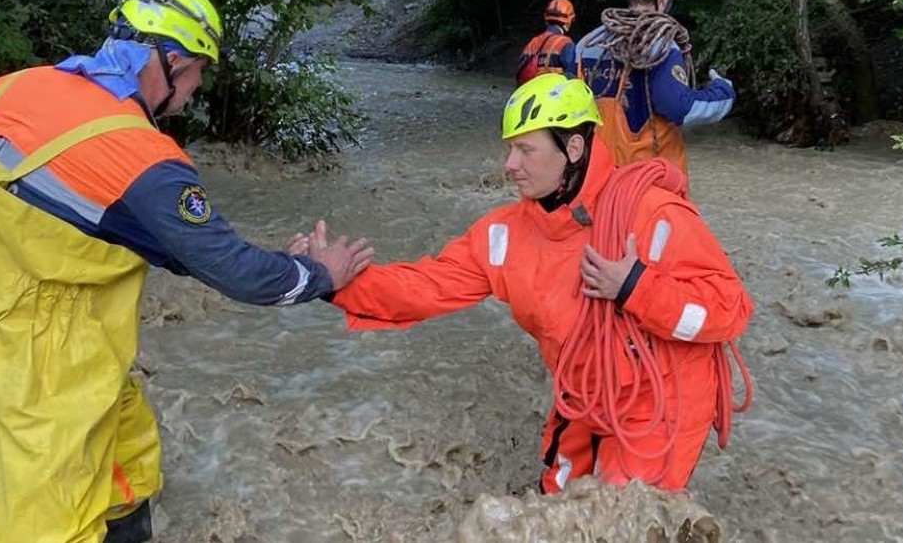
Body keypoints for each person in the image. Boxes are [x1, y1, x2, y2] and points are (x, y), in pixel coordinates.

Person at [0, 0, 373, 543]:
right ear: (168, 61)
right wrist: (321, 274)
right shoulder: (138, 157)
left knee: (127, 463)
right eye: (198, 70)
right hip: (39, 365)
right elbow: (233, 272)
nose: (196, 89)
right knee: (50, 522)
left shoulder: (5, 93)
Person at [300, 74, 752, 495]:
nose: (509, 164)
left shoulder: (651, 215)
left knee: (616, 515)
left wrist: (635, 285)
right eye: (509, 149)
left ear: (573, 148)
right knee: (556, 501)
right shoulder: (507, 234)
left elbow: (729, 308)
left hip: (662, 400)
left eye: (525, 150)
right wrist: (333, 282)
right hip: (586, 391)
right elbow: (426, 286)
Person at [574, 0, 736, 173]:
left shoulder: (587, 44)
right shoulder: (661, 47)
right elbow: (679, 107)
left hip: (592, 175)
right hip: (642, 182)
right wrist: (723, 92)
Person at [514, 0, 577, 86]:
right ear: (569, 21)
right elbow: (571, 79)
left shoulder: (533, 42)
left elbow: (519, 72)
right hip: (551, 96)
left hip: (527, 92)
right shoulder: (565, 43)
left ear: (546, 18)